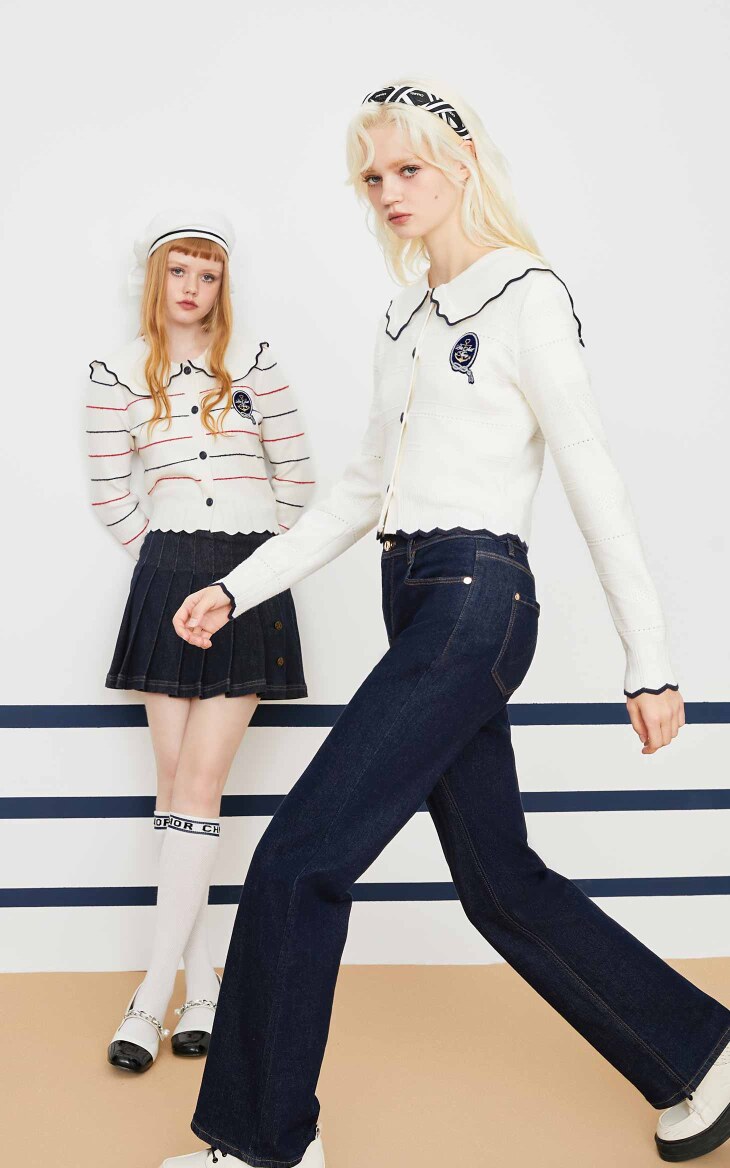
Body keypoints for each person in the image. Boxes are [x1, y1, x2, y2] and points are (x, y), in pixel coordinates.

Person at [160, 87, 730, 1166]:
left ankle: (264, 1144)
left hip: (477, 601)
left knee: (297, 859)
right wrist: (240, 585)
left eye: (408, 168)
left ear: (462, 162)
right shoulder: (404, 317)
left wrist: (648, 659)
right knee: (499, 883)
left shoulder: (527, 294)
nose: (388, 192)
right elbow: (357, 492)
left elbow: (590, 474)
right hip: (415, 598)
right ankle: (699, 1051)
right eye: (372, 176)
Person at [86, 209, 314, 1074]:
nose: (192, 288)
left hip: (246, 578)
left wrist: (252, 573)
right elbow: (112, 493)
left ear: (223, 285)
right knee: (176, 782)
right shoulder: (117, 373)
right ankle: (204, 988)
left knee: (199, 780)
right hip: (168, 573)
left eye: (207, 274)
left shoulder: (255, 365)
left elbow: (298, 481)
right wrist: (168, 559)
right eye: (179, 271)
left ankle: (150, 998)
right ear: (157, 279)